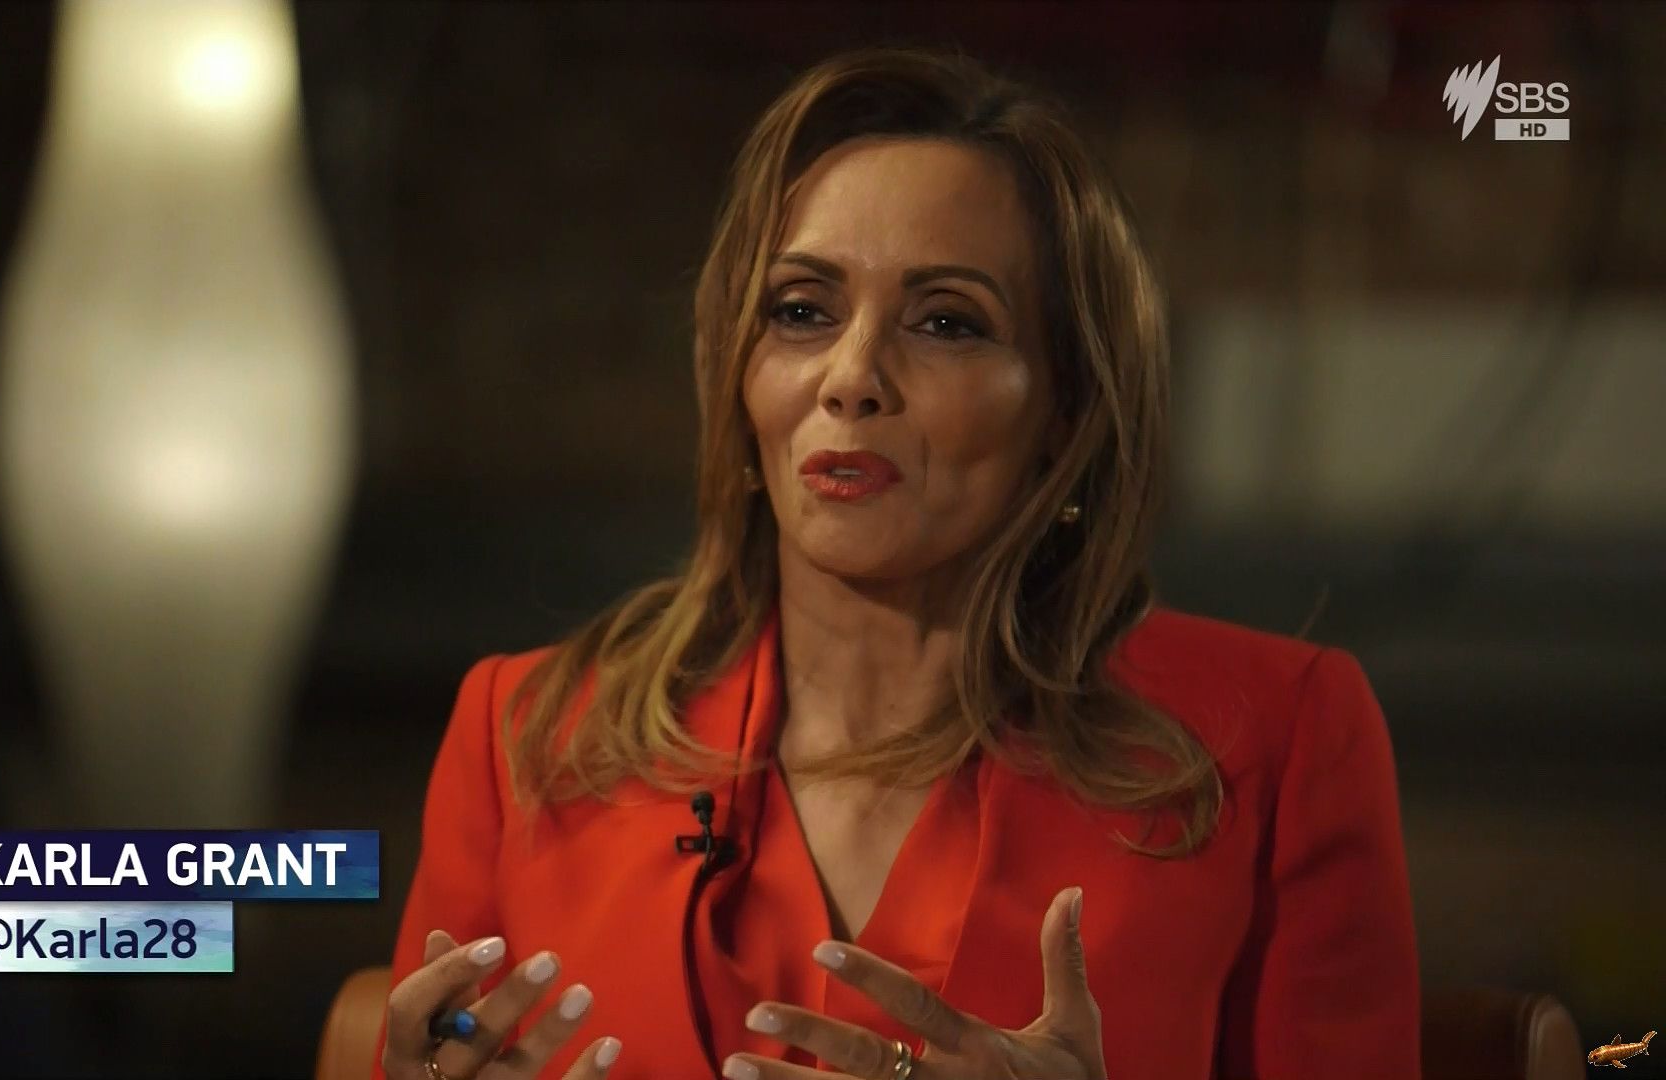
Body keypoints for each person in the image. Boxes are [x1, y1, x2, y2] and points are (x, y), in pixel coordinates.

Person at [371, 47, 1419, 1080]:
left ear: (1066, 410)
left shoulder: (1276, 740)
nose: (853, 375)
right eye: (801, 312)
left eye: (947, 323)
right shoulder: (527, 735)